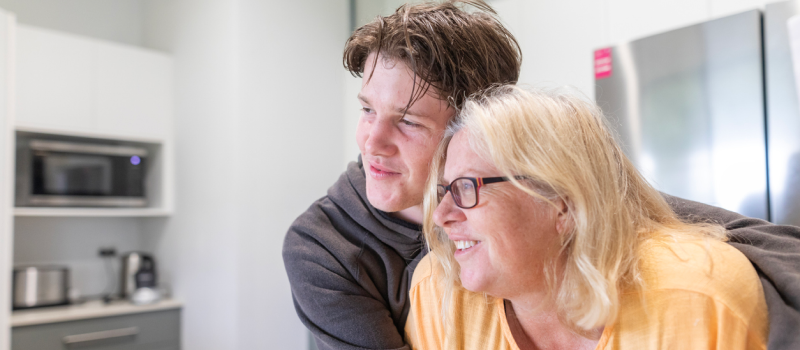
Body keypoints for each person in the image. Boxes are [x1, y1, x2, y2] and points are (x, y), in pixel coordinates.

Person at [282, 1, 800, 349]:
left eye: (408, 121)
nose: (371, 140)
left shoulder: (683, 287)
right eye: (367, 109)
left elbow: (725, 235)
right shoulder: (328, 250)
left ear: (480, 127)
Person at [406, 85, 768, 349]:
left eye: (466, 188)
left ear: (562, 202)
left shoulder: (700, 299)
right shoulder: (440, 295)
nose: (441, 215)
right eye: (444, 190)